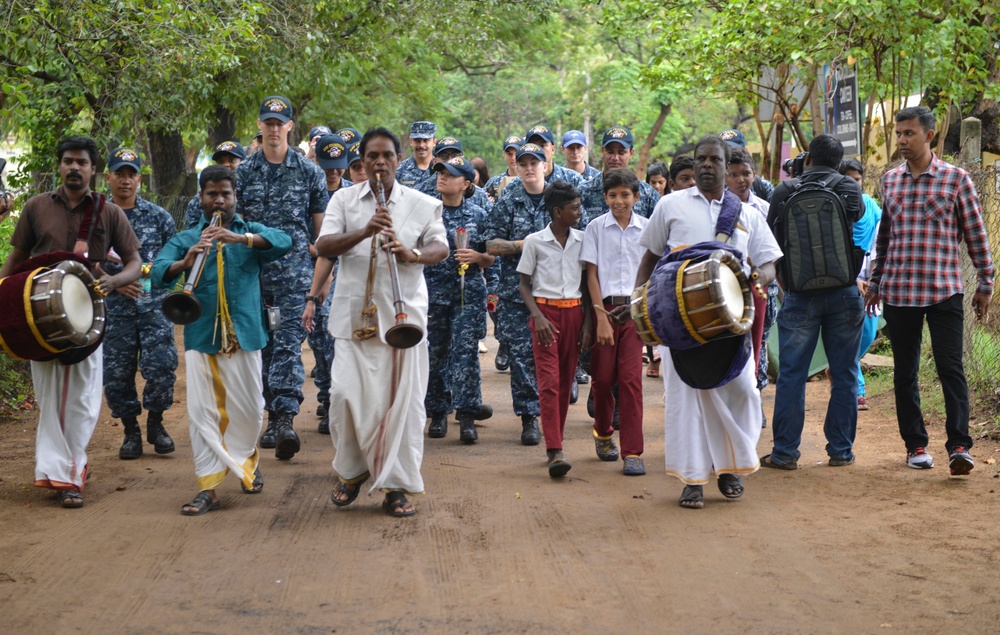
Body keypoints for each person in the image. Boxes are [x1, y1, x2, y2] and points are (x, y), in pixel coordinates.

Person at [636, 135, 781, 508]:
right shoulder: (670, 205)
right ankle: (692, 480)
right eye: (700, 159)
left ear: (724, 164)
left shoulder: (747, 213)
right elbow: (650, 258)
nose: (705, 165)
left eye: (713, 159)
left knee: (743, 393)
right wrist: (638, 303)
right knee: (686, 400)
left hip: (731, 323)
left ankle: (730, 467)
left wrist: (756, 277)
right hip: (678, 322)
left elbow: (768, 263)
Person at [0, 136, 141, 508]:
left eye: (81, 162)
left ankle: (71, 470)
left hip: (87, 315)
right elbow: (16, 258)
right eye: (68, 161)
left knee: (80, 399)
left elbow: (133, 263)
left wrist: (115, 280)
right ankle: (65, 473)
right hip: (38, 317)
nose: (74, 167)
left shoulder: (109, 213)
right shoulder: (36, 206)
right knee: (49, 397)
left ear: (94, 170)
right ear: (59, 166)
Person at [316, 127, 447, 518]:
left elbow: (441, 246)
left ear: (398, 158)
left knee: (400, 406)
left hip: (404, 320)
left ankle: (395, 485)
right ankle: (352, 472)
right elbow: (323, 246)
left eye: (387, 155)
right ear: (363, 159)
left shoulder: (423, 203)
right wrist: (364, 231)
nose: (379, 163)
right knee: (343, 397)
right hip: (354, 318)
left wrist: (413, 253)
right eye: (372, 156)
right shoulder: (343, 199)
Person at [151, 165, 292, 515]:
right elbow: (156, 273)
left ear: (235, 197)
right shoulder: (186, 238)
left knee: (249, 412)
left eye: (225, 194)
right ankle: (209, 488)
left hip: (245, 336)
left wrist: (240, 239)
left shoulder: (250, 232)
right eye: (211, 193)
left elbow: (285, 241)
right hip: (202, 336)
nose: (218, 199)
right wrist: (186, 261)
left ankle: (245, 462)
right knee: (203, 415)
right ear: (200, 198)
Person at [866, 106, 993, 475]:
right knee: (904, 372)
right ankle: (915, 445)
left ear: (929, 135)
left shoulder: (956, 179)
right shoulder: (890, 181)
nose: (902, 140)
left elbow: (976, 235)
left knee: (950, 368)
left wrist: (985, 284)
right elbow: (885, 238)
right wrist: (876, 282)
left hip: (944, 291)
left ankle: (959, 446)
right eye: (899, 134)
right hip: (900, 292)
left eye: (909, 133)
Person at [762, 134, 865, 470]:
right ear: (838, 162)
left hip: (800, 295)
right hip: (844, 292)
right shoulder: (848, 187)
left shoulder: (785, 190)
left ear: (808, 160)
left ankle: (785, 453)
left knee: (792, 374)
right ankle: (841, 450)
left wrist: (784, 278)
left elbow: (772, 241)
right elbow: (859, 220)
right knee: (845, 372)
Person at [235, 95, 329, 460]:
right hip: (253, 275)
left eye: (280, 123)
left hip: (294, 276)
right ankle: (272, 413)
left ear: (291, 126)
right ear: (260, 126)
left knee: (289, 344)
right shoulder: (243, 173)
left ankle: (285, 418)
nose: (274, 129)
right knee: (263, 347)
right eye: (268, 122)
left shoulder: (310, 173)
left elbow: (321, 233)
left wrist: (321, 279)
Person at [483, 142, 582, 446]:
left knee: (558, 360)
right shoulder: (509, 199)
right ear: (515, 166)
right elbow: (490, 244)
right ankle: (529, 416)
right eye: (522, 163)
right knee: (523, 357)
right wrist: (524, 245)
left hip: (560, 292)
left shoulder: (560, 197)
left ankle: (555, 413)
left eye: (533, 163)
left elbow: (582, 235)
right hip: (518, 293)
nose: (528, 168)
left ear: (544, 164)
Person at [101, 147, 179, 460]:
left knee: (161, 368)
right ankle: (131, 431)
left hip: (154, 309)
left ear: (140, 179)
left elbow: (171, 261)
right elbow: (86, 260)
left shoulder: (159, 217)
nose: (125, 180)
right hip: (115, 311)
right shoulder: (98, 217)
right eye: (119, 173)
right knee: (117, 374)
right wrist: (117, 284)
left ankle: (156, 424)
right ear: (107, 177)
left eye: (131, 174)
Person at [517, 181, 591, 477]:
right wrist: (538, 316)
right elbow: (524, 285)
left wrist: (586, 322)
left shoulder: (583, 240)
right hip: (545, 315)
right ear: (557, 211)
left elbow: (586, 285)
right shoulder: (535, 241)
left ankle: (555, 440)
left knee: (564, 382)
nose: (579, 212)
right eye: (574, 208)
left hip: (573, 314)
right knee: (548, 382)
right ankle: (555, 449)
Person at [581, 168, 648, 476]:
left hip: (634, 311)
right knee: (604, 378)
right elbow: (591, 274)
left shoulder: (646, 229)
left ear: (636, 196)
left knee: (632, 380)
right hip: (605, 310)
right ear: (604, 197)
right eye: (612, 195)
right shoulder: (595, 227)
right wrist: (599, 317)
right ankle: (603, 432)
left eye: (625, 195)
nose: (619, 201)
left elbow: (650, 274)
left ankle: (632, 451)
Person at [423, 156, 495, 442]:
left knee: (465, 354)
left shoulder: (479, 214)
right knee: (434, 353)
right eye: (440, 172)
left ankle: (466, 415)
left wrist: (479, 257)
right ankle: (438, 413)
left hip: (468, 295)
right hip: (432, 293)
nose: (442, 177)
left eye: (450, 175)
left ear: (466, 184)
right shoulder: (427, 212)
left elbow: (492, 256)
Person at [302, 133, 354, 435]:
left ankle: (337, 400)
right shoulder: (309, 192)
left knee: (336, 337)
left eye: (338, 166)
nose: (333, 172)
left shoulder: (352, 194)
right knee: (318, 341)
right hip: (309, 272)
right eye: (328, 166)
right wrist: (319, 250)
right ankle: (326, 395)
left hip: (343, 274)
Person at [726, 147, 778, 413]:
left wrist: (760, 276)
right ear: (725, 177)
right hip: (725, 290)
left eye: (745, 173)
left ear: (754, 175)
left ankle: (752, 404)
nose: (740, 180)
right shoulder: (718, 209)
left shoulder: (763, 209)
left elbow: (771, 255)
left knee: (757, 347)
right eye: (733, 174)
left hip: (757, 289)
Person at [839, 158, 881, 411]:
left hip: (871, 283)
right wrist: (851, 280)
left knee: (867, 334)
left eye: (856, 179)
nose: (852, 184)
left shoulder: (872, 207)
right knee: (848, 337)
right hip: (842, 282)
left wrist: (874, 280)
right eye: (846, 180)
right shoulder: (832, 206)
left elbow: (880, 242)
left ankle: (840, 369)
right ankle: (857, 390)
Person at [579, 127, 660, 220]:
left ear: (631, 153)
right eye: (610, 152)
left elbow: (658, 229)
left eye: (621, 152)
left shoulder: (648, 194)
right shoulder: (584, 192)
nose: (615, 158)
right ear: (602, 151)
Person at [184, 141, 246, 230]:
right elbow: (190, 232)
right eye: (221, 161)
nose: (226, 165)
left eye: (232, 160)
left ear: (244, 162)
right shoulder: (201, 199)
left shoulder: (250, 192)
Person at [719, 129, 773, 201]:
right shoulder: (712, 191)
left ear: (746, 150)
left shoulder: (763, 188)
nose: (729, 155)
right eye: (723, 152)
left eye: (733, 149)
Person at [484, 134, 523, 202]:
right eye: (509, 154)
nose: (513, 158)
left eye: (516, 153)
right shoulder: (494, 182)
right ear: (504, 155)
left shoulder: (531, 180)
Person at [396, 121, 436, 186]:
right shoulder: (399, 170)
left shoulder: (441, 170)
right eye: (417, 140)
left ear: (434, 142)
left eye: (426, 140)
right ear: (411, 141)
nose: (421, 145)